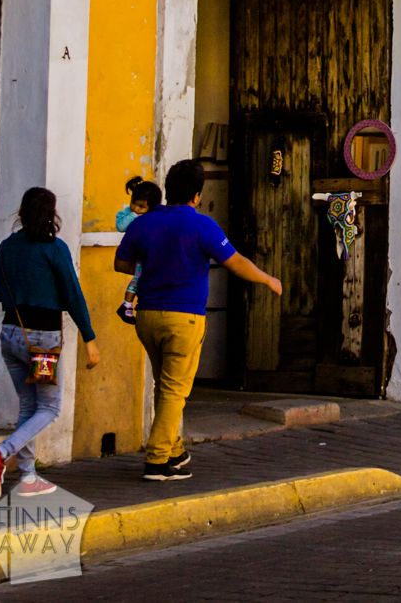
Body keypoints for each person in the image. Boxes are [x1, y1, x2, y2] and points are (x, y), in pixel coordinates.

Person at [116, 159, 281, 482]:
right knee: (176, 389)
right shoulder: (202, 225)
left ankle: (175, 449)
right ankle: (157, 459)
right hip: (185, 317)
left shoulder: (143, 223)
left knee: (165, 385)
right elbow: (235, 263)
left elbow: (122, 264)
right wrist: (266, 279)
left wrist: (155, 264)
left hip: (147, 316)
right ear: (196, 195)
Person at [0, 188, 99, 500]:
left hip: (10, 334)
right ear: (51, 214)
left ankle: (28, 475)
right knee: (49, 407)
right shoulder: (54, 249)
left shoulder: (7, 247)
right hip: (41, 341)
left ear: (21, 212)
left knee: (30, 405)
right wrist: (89, 338)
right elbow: (73, 295)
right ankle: (1, 453)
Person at [114, 176, 161, 324]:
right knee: (138, 278)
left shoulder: (152, 218)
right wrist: (134, 215)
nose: (136, 208)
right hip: (136, 253)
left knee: (140, 277)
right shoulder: (127, 214)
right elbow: (121, 227)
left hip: (145, 253)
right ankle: (126, 305)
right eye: (134, 203)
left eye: (141, 207)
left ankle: (128, 305)